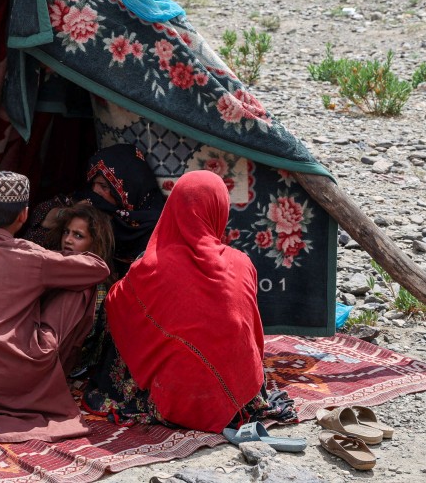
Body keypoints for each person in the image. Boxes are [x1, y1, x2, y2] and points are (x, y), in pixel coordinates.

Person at [82, 171, 294, 432]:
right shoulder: (242, 263)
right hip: (236, 400)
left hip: (171, 399)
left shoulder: (148, 267)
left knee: (119, 304)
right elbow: (250, 334)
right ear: (219, 209)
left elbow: (116, 309)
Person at [0, 172, 110, 442]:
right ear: (23, 215)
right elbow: (98, 270)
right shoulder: (33, 256)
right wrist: (57, 264)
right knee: (82, 287)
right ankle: (61, 374)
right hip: (21, 374)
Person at [23, 144, 165, 274]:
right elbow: (40, 214)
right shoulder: (86, 200)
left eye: (104, 187)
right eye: (93, 183)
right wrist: (69, 214)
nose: (95, 190)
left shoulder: (152, 228)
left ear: (128, 191)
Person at [46, 204, 117, 373]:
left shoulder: (94, 289)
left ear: (94, 244)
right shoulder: (53, 268)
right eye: (66, 232)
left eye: (78, 235)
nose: (68, 240)